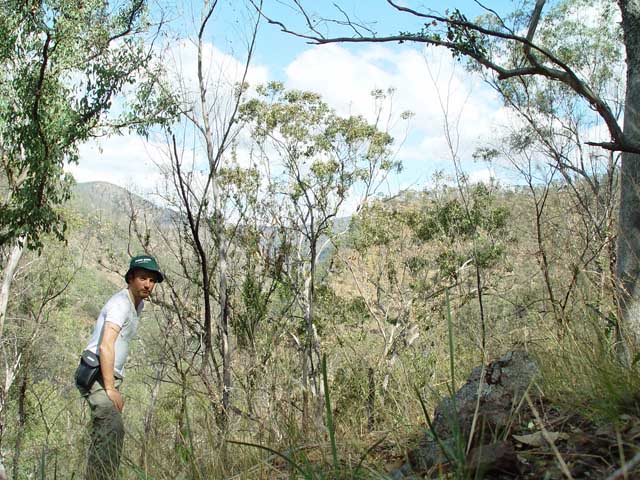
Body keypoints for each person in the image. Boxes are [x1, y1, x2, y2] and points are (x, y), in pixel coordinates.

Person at [76, 254, 164, 480]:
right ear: (131, 278)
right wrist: (110, 388)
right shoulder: (120, 304)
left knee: (106, 431)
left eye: (152, 280)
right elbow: (106, 346)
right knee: (111, 428)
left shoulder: (138, 304)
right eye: (143, 278)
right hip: (96, 374)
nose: (148, 284)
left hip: (106, 375)